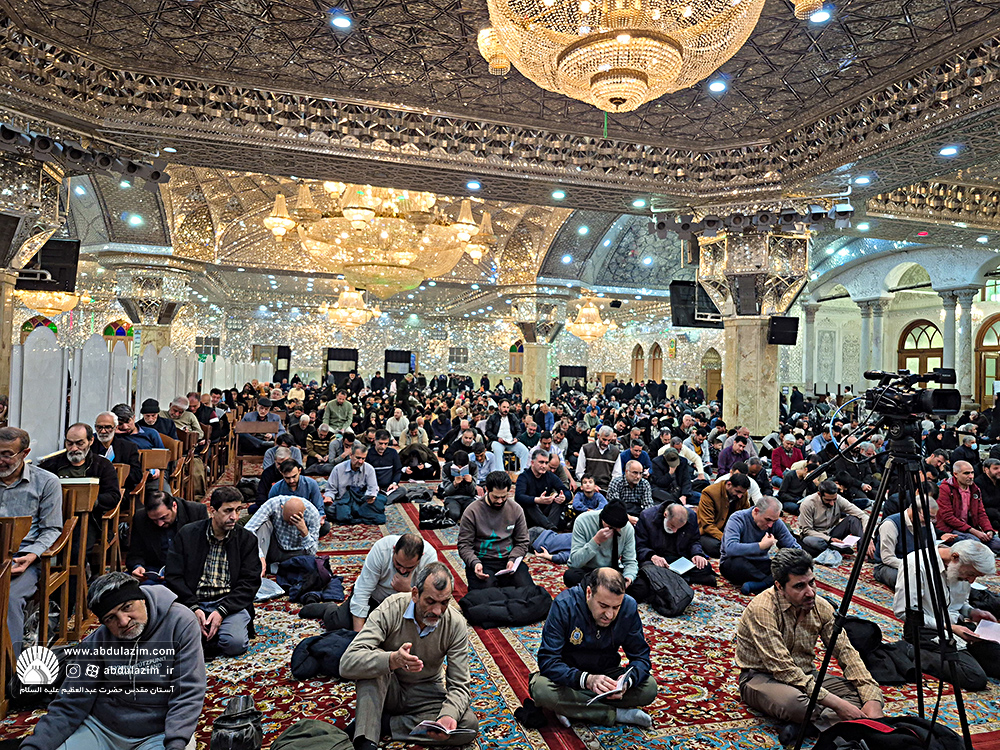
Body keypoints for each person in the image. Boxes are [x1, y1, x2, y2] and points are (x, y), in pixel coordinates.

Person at [20, 571, 206, 750]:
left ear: (141, 598)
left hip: (160, 731)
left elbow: (187, 692)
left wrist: (176, 742)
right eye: (111, 618)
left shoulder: (180, 622)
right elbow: (70, 703)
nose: (123, 621)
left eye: (127, 607)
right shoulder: (96, 643)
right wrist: (34, 746)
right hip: (104, 729)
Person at [735, 549, 883, 742]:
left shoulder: (820, 606)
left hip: (805, 674)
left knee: (860, 693)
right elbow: (784, 670)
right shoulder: (763, 609)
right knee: (797, 705)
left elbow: (847, 654)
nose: (810, 592)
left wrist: (872, 700)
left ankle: (807, 726)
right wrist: (838, 705)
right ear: (779, 586)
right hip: (762, 677)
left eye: (812, 582)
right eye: (799, 586)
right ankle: (821, 721)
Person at [340, 563, 479, 749]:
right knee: (375, 660)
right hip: (387, 689)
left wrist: (448, 716)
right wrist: (392, 660)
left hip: (425, 693)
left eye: (444, 603)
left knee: (468, 725)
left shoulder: (455, 623)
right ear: (415, 594)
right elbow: (347, 663)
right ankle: (367, 740)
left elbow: (460, 684)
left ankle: (385, 724)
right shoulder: (391, 608)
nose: (437, 611)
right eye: (430, 601)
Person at [530, 568, 657, 727]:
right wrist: (587, 680)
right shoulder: (565, 604)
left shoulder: (628, 606)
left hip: (606, 677)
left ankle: (569, 707)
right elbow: (548, 661)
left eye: (615, 607)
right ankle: (616, 714)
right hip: (570, 678)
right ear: (589, 593)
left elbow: (641, 657)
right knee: (541, 689)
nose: (609, 615)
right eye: (603, 606)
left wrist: (626, 682)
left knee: (649, 687)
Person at [893, 539, 1000, 691]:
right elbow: (904, 612)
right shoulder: (916, 564)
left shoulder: (958, 567)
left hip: (957, 627)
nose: (971, 581)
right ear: (955, 557)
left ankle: (966, 653)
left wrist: (972, 612)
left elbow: (959, 603)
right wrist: (948, 627)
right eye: (971, 574)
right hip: (926, 631)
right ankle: (909, 650)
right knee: (974, 677)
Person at [165, 486, 260, 656]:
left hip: (230, 604)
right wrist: (193, 607)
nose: (235, 517)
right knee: (173, 641)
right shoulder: (188, 535)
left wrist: (222, 611)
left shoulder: (246, 539)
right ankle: (206, 637)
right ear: (213, 510)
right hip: (193, 601)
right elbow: (174, 576)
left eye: (238, 510)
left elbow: (250, 582)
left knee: (235, 644)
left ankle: (209, 639)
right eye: (228, 511)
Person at [0, 426, 62, 658]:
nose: (0, 460)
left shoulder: (46, 482)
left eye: (7, 454)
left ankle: (9, 665)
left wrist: (32, 555)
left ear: (24, 453)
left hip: (23, 558)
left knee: (8, 598)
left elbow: (52, 529)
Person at [324, 533, 439, 631]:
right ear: (393, 550)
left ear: (421, 557)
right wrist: (358, 638)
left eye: (410, 567)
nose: (403, 570)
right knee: (340, 624)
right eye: (398, 564)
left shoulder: (429, 559)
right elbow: (363, 591)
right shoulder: (381, 549)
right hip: (375, 598)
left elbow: (428, 601)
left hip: (405, 604)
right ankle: (329, 608)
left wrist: (408, 590)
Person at [39, 422, 121, 549]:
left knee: (78, 546)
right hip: (53, 517)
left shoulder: (102, 465)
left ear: (91, 441)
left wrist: (91, 500)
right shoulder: (51, 465)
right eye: (69, 443)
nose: (74, 448)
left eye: (80, 443)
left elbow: (114, 496)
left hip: (89, 519)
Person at [457, 470, 532, 589]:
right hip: (482, 560)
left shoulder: (515, 509)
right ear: (487, 489)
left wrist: (513, 559)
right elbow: (464, 544)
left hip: (508, 560)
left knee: (528, 592)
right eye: (496, 497)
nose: (500, 501)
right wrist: (475, 563)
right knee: (487, 596)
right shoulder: (472, 511)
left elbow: (523, 541)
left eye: (504, 497)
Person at [720, 496, 801, 595]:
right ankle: (770, 583)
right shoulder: (738, 518)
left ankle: (761, 584)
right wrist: (760, 546)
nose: (770, 525)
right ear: (756, 511)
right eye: (768, 520)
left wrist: (803, 560)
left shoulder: (775, 522)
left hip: (760, 563)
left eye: (774, 521)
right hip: (735, 563)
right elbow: (730, 548)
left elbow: (792, 546)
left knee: (787, 565)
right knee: (736, 563)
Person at [564, 503, 645, 600]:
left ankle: (603, 593)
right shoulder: (583, 521)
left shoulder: (627, 528)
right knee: (570, 576)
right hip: (590, 572)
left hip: (613, 573)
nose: (615, 530)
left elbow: (630, 561)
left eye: (618, 528)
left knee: (641, 587)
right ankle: (611, 594)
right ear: (602, 519)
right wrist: (595, 542)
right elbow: (574, 563)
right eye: (611, 527)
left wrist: (628, 578)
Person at [127, 490, 208, 582]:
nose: (160, 524)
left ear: (174, 506)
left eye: (163, 518)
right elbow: (135, 553)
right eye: (154, 520)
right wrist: (138, 566)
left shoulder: (195, 512)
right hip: (154, 570)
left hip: (186, 572)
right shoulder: (140, 518)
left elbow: (204, 551)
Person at [872, 495, 948, 589]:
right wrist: (915, 567)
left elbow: (930, 550)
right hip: (889, 566)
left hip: (917, 565)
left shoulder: (928, 524)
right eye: (926, 517)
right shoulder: (891, 524)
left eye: (932, 518)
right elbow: (888, 558)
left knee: (944, 577)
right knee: (910, 581)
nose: (929, 521)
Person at [635, 501, 716, 586]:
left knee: (704, 566)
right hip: (657, 559)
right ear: (665, 515)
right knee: (648, 569)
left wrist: (697, 554)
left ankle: (672, 579)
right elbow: (640, 546)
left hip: (679, 557)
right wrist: (652, 556)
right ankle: (688, 579)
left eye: (679, 528)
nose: (675, 531)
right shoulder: (647, 516)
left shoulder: (692, 516)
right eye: (672, 526)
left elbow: (694, 540)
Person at [245, 495, 321, 572]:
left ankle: (276, 568)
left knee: (313, 566)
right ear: (282, 508)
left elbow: (312, 552)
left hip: (297, 552)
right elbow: (248, 530)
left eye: (293, 522)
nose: (289, 524)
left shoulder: (312, 514)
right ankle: (260, 565)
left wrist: (304, 531)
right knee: (264, 525)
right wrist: (260, 555)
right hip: (275, 547)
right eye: (287, 521)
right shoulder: (273, 504)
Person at [936, 460, 1000, 552]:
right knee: (975, 544)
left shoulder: (975, 489)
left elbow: (981, 513)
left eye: (972, 473)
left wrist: (988, 530)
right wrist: (973, 531)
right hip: (950, 529)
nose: (971, 476)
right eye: (966, 473)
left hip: (969, 528)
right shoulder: (945, 489)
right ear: (955, 474)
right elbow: (948, 517)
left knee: (997, 543)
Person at [797, 479, 871, 557]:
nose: (832, 503)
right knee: (811, 541)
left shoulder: (838, 499)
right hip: (817, 536)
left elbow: (862, 515)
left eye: (834, 499)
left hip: (833, 532)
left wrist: (868, 538)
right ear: (819, 494)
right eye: (828, 500)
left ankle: (863, 548)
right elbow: (807, 530)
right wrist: (829, 539)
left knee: (853, 520)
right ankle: (836, 547)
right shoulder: (808, 503)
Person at [324, 442, 384, 525]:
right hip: (343, 502)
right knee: (328, 508)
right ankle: (356, 515)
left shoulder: (369, 469)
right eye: (358, 458)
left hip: (360, 502)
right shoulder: (338, 469)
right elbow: (331, 489)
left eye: (363, 459)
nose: (360, 461)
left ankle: (349, 516)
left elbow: (372, 488)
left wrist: (371, 496)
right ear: (351, 455)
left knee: (379, 501)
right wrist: (329, 498)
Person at [696, 473, 751, 558]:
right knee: (717, 547)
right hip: (710, 532)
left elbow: (746, 515)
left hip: (731, 530)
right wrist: (727, 539)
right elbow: (707, 525)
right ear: (729, 484)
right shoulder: (709, 493)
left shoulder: (742, 495)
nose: (740, 496)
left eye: (742, 493)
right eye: (738, 492)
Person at [269, 458, 329, 534]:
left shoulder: (311, 484)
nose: (291, 481)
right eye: (287, 478)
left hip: (306, 520)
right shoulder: (276, 488)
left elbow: (319, 506)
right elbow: (271, 510)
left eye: (294, 476)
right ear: (281, 473)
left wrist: (320, 517)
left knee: (325, 527)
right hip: (285, 523)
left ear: (299, 471)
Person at [514, 449, 570, 530]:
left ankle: (549, 528)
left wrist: (563, 497)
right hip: (529, 515)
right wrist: (537, 500)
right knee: (530, 502)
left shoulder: (550, 476)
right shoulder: (524, 477)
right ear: (532, 463)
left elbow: (566, 491)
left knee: (558, 500)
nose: (544, 466)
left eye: (546, 463)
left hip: (545, 513)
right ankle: (550, 528)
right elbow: (518, 497)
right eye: (541, 462)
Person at [92, 411, 142, 494]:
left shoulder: (128, 447)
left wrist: (117, 476)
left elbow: (136, 475)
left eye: (108, 427)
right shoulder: (89, 446)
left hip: (119, 491)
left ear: (115, 428)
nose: (103, 431)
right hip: (93, 490)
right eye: (99, 427)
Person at [486, 399, 530, 473]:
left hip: (511, 441)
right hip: (497, 441)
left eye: (507, 407)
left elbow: (519, 430)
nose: (506, 409)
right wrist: (497, 438)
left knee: (524, 451)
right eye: (504, 407)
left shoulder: (512, 417)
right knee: (497, 449)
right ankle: (501, 472)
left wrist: (516, 438)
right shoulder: (493, 417)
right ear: (499, 407)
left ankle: (523, 472)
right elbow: (488, 432)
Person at [438, 449, 480, 522]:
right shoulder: (446, 468)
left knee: (474, 514)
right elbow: (446, 492)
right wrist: (454, 484)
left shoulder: (473, 467)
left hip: (468, 497)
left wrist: (470, 482)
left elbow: (472, 492)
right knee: (454, 514)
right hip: (452, 498)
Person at [576, 426, 621, 492]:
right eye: (604, 439)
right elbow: (579, 472)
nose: (606, 443)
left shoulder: (615, 452)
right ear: (598, 436)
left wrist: (611, 488)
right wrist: (590, 485)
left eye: (609, 440)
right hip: (588, 487)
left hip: (607, 488)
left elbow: (617, 475)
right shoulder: (586, 449)